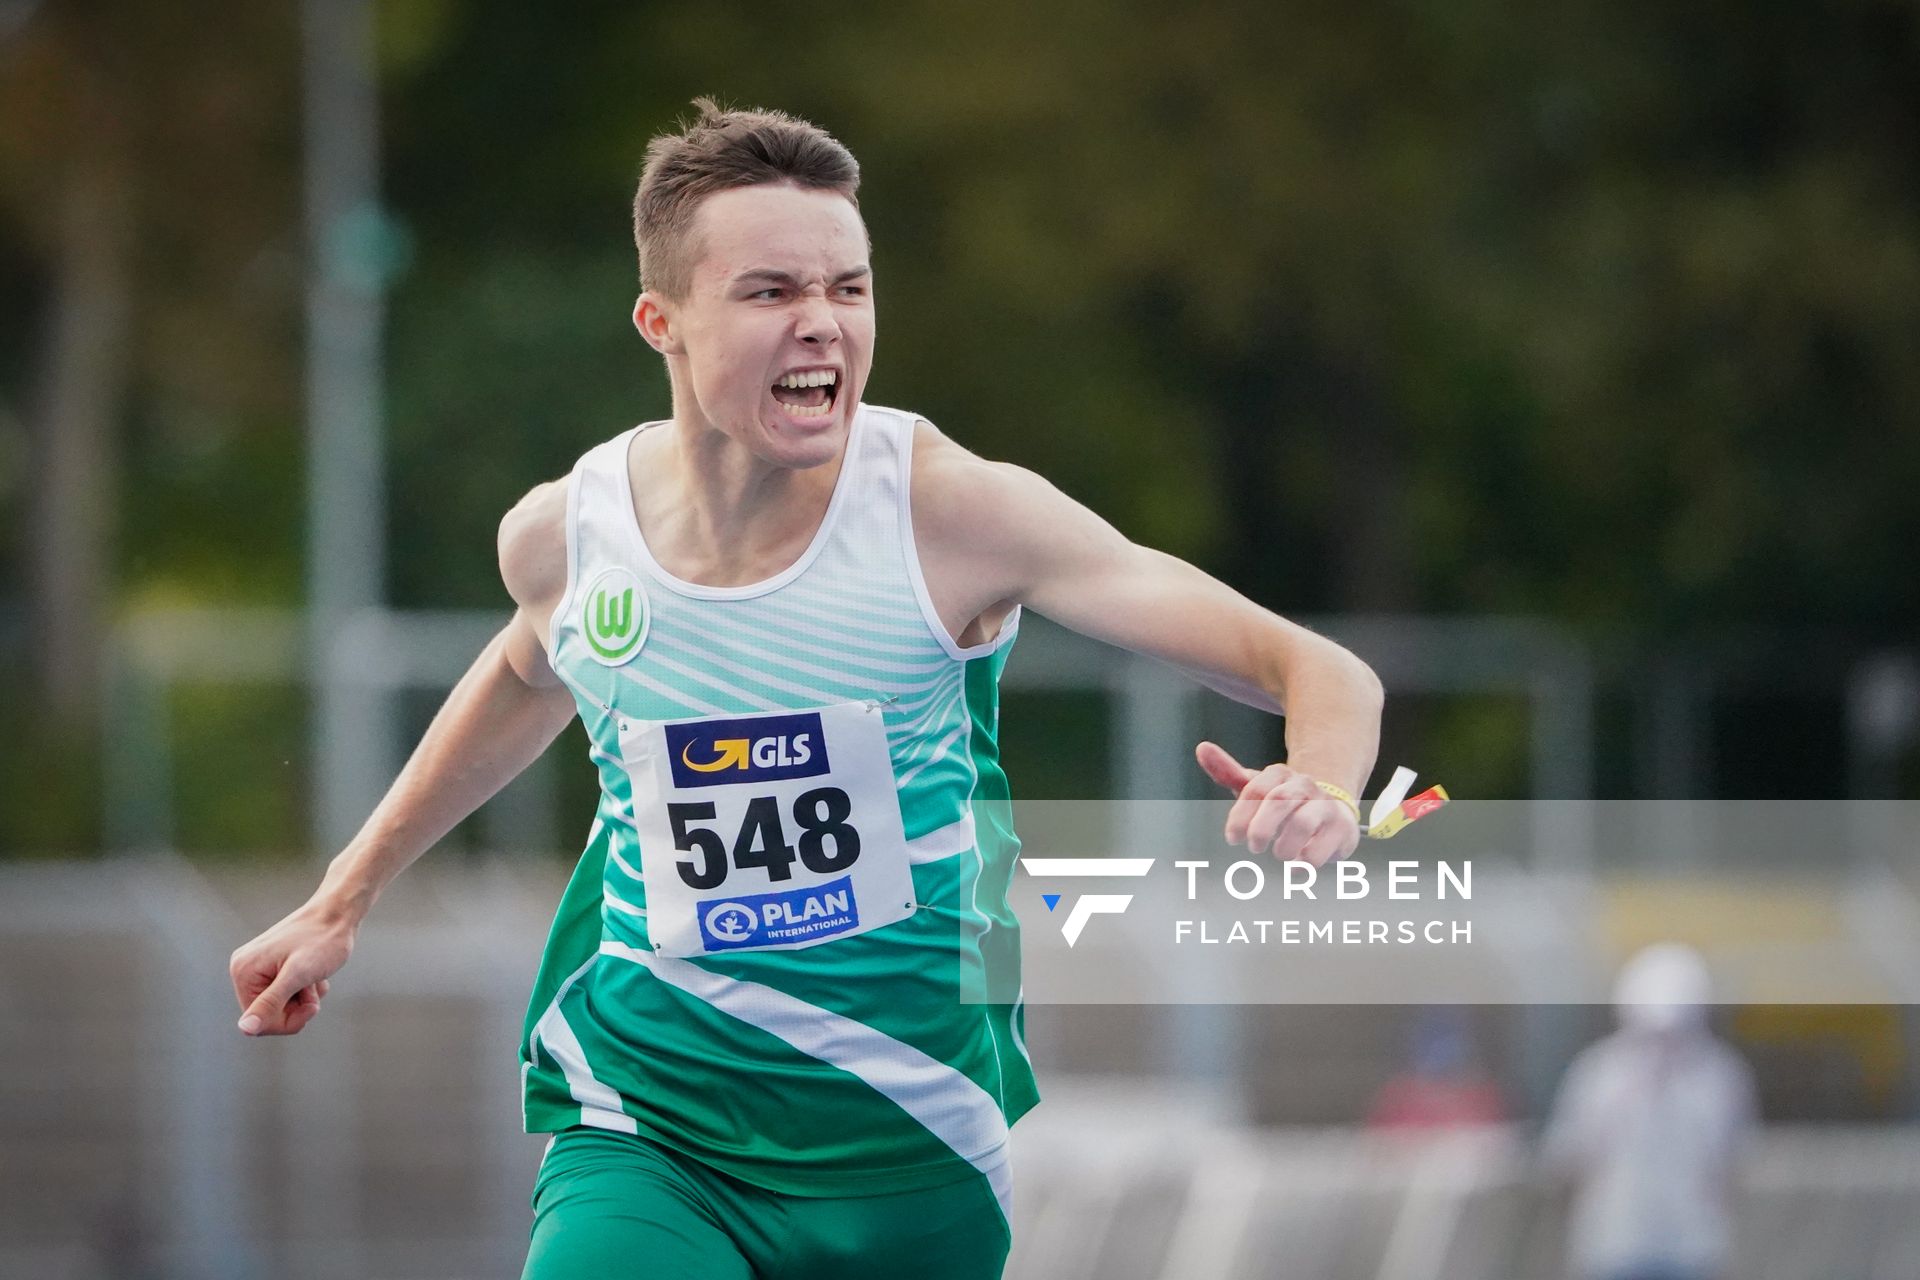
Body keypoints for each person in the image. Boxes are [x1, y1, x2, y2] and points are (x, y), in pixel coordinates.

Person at [227, 98, 1386, 1279]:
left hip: (912, 1136)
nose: (823, 326)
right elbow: (530, 673)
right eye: (772, 292)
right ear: (660, 320)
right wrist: (342, 896)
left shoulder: (950, 516)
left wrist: (1324, 780)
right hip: (652, 1124)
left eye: (850, 287)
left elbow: (1315, 666)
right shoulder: (566, 537)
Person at [1542, 943, 1759, 1280]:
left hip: (1693, 1250)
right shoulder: (1601, 1073)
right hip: (1614, 1248)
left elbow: (1734, 1163)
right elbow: (1567, 1156)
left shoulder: (1718, 1076)